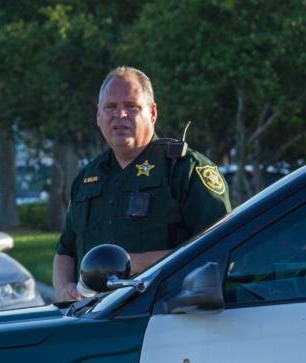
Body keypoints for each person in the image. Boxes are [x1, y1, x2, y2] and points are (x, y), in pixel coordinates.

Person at [53, 67, 233, 302]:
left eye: (131, 106)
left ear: (153, 112)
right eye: (110, 107)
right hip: (93, 319)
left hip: (165, 316)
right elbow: (65, 251)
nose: (120, 115)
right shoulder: (88, 177)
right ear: (98, 115)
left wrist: (132, 263)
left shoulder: (184, 170)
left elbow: (223, 246)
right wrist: (64, 288)